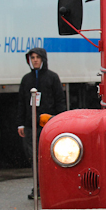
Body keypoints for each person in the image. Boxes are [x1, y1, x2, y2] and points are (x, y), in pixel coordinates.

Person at [17, 48, 66, 199]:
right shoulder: (26, 79)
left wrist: (59, 120)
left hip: (48, 124)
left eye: (38, 57)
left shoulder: (52, 78)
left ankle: (51, 185)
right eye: (32, 58)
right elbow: (21, 103)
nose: (35, 60)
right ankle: (37, 187)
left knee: (48, 156)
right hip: (30, 125)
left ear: (43, 59)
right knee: (33, 156)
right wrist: (20, 124)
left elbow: (60, 100)